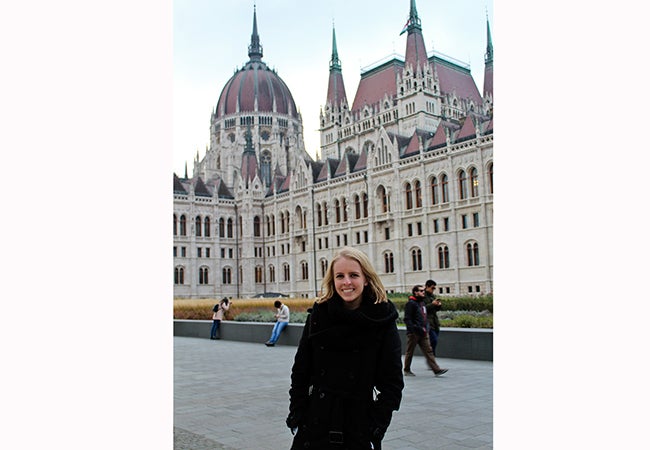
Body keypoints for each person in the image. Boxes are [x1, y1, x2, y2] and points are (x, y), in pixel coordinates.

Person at [286, 247, 404, 450]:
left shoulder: (382, 319)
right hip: (314, 426)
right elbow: (300, 372)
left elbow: (392, 383)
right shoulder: (318, 315)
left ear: (366, 279)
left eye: (354, 275)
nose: (346, 282)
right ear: (333, 281)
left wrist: (375, 427)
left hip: (357, 428)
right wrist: (298, 414)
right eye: (340, 276)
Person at [403, 285, 448, 377]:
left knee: (429, 351)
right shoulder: (411, 304)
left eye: (423, 291)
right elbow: (407, 319)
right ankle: (407, 369)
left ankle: (436, 370)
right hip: (414, 333)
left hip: (424, 332)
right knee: (410, 352)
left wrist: (426, 327)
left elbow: (425, 315)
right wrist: (412, 329)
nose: (423, 292)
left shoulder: (422, 303)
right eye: (421, 291)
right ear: (415, 292)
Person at [423, 279, 441, 355]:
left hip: (435, 322)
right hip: (428, 322)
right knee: (433, 340)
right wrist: (432, 304)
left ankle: (431, 356)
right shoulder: (423, 296)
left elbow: (435, 309)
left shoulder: (432, 296)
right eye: (432, 288)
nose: (433, 290)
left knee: (434, 340)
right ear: (427, 287)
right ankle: (431, 355)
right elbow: (423, 308)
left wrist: (438, 305)